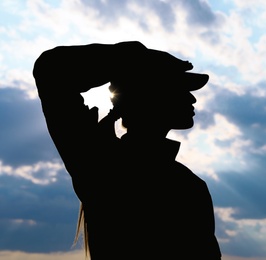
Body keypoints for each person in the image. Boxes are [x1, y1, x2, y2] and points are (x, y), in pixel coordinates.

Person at [33, 41, 222, 260]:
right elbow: (50, 68)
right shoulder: (101, 163)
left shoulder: (98, 161)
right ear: (150, 95)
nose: (192, 98)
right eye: (179, 88)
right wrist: (134, 55)